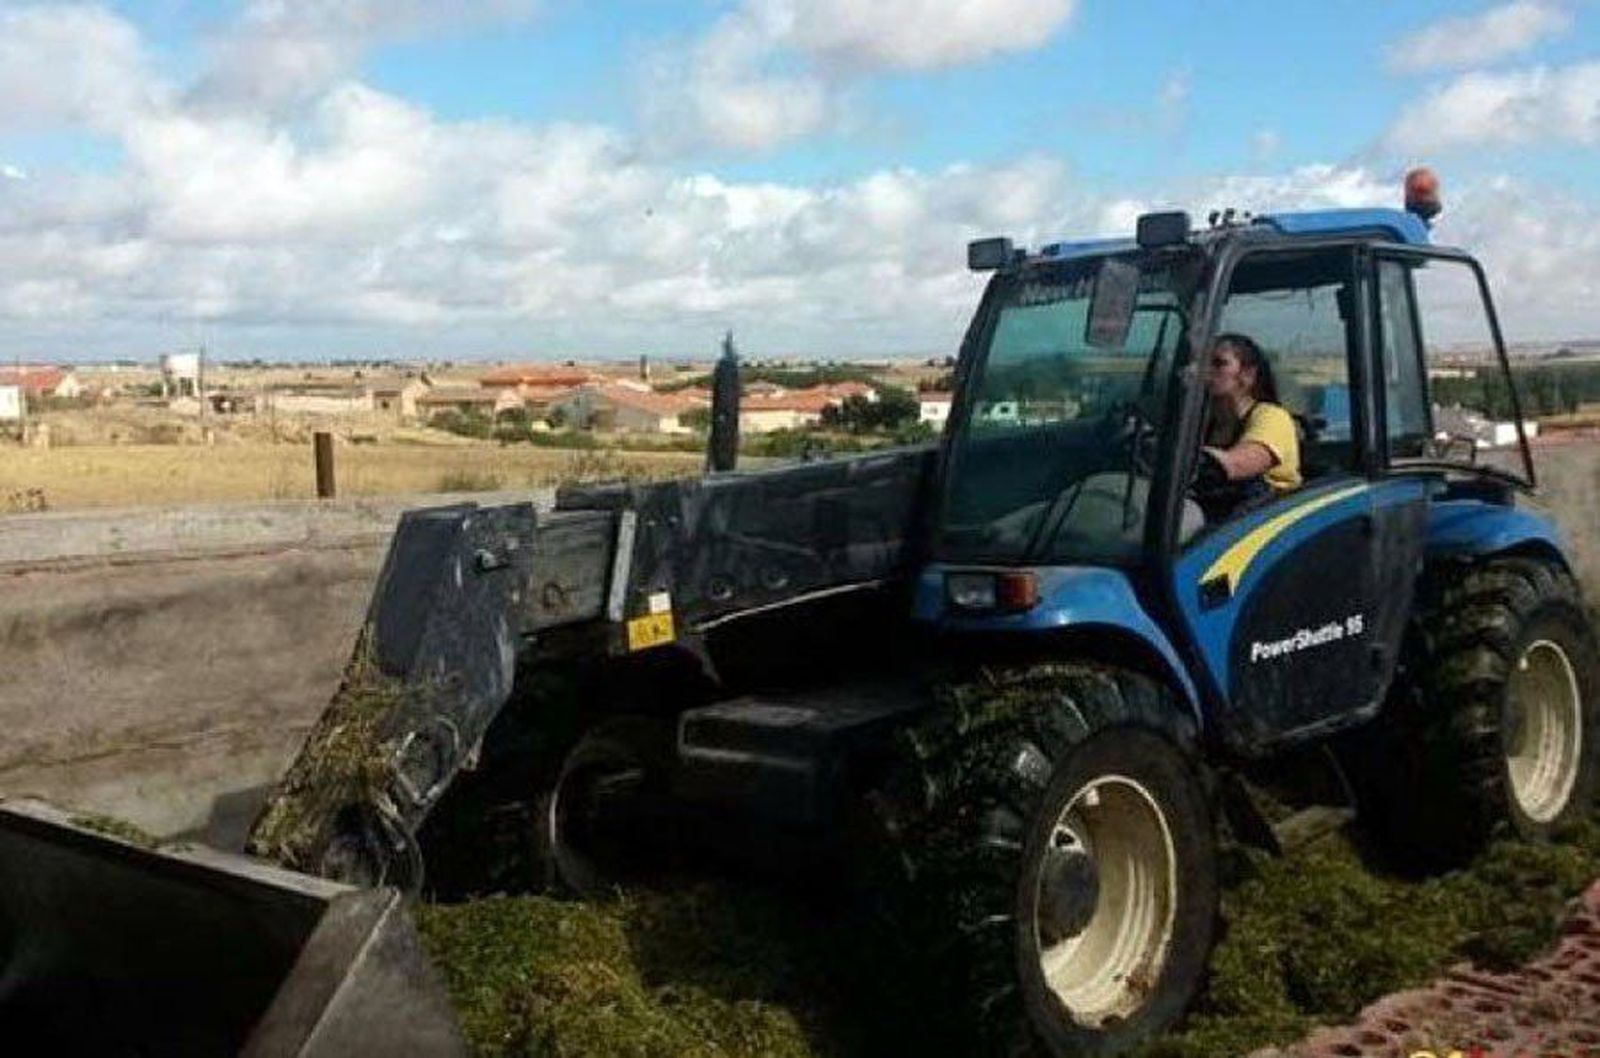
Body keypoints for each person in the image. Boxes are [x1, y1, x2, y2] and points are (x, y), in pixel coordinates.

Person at [1195, 333, 1301, 520]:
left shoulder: (1272, 417)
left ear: (1247, 375)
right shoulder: (1204, 423)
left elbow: (1238, 464)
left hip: (1265, 523)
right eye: (1202, 362)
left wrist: (1188, 459)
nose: (1205, 370)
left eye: (1218, 363)